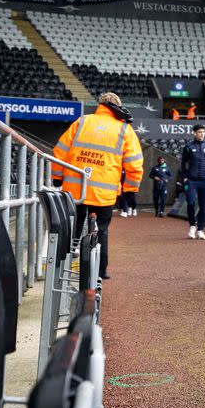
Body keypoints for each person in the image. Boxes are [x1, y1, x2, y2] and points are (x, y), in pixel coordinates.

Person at [53, 92, 143, 280]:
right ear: (117, 106)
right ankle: (101, 271)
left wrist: (57, 178)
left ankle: (65, 264)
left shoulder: (82, 121)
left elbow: (60, 152)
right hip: (104, 193)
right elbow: (134, 164)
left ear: (100, 105)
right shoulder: (124, 129)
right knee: (101, 229)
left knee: (74, 226)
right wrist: (129, 189)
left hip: (75, 189)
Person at [181, 124, 205, 241]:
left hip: (204, 180)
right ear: (194, 133)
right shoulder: (188, 146)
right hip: (191, 181)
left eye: (203, 132)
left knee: (203, 206)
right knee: (191, 202)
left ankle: (200, 230)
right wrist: (185, 177)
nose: (202, 134)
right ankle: (192, 225)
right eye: (199, 132)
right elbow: (183, 163)